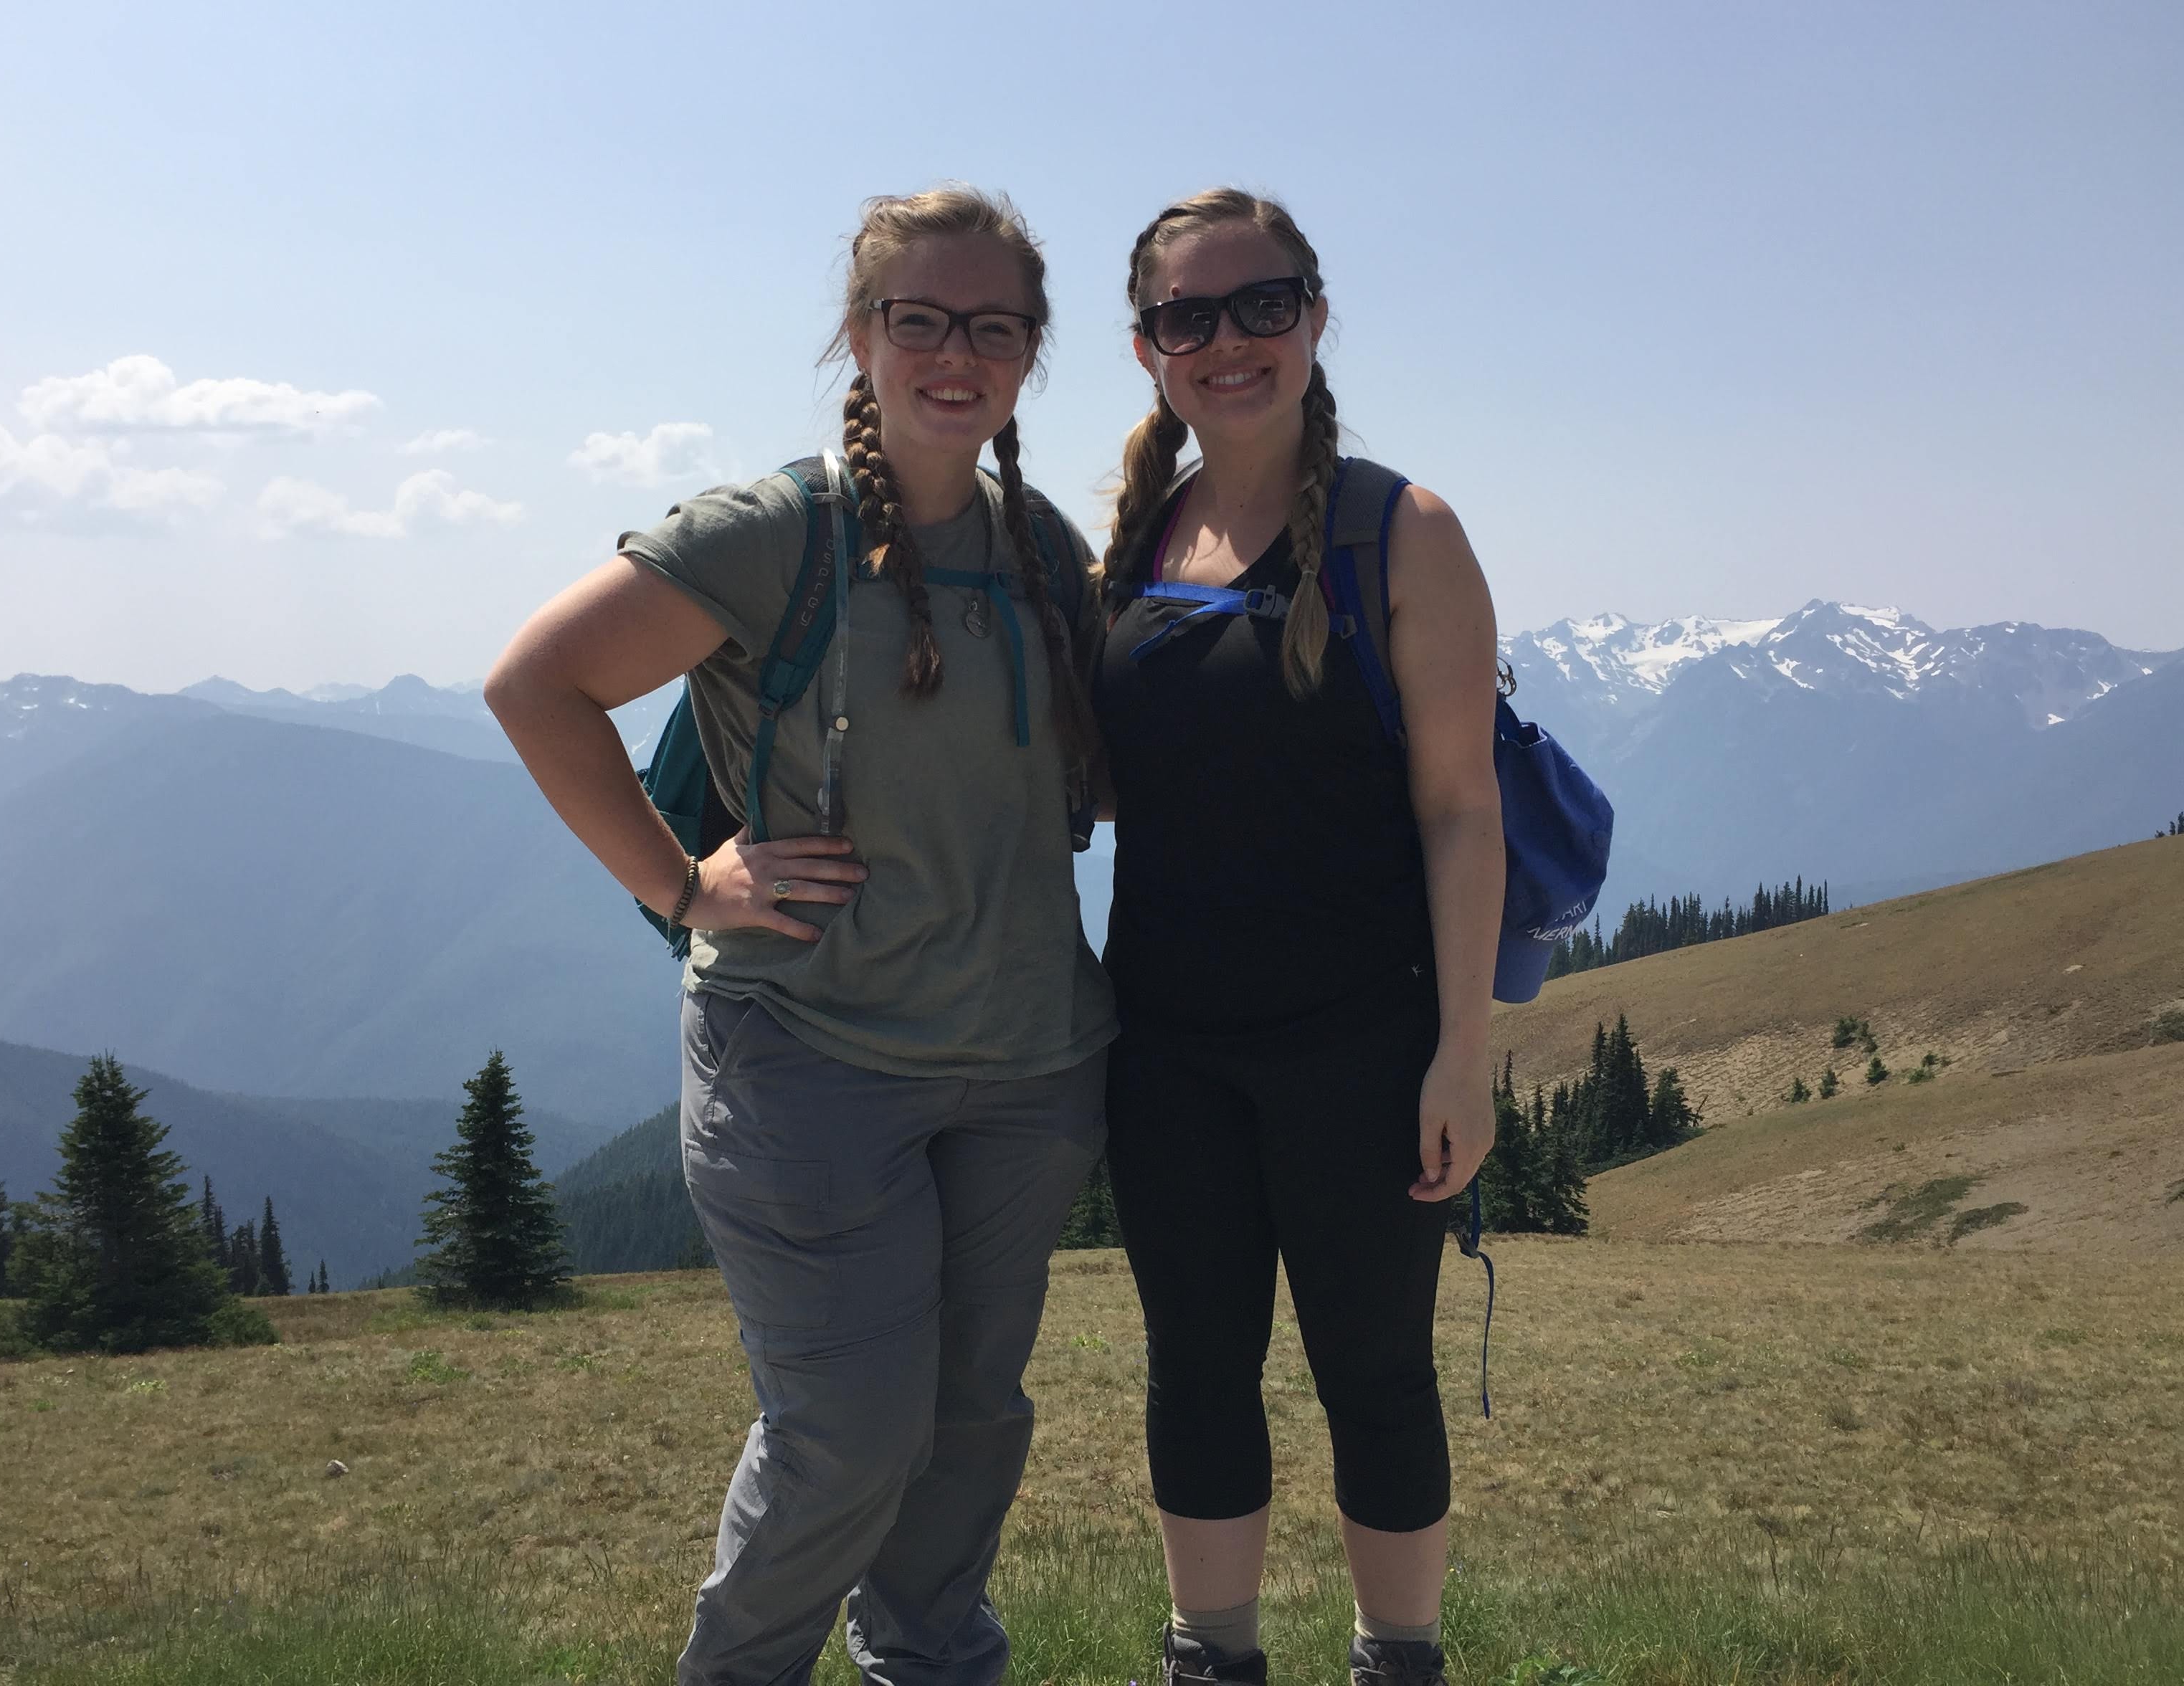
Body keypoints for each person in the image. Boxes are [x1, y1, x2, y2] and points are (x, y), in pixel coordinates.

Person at [483, 185, 1115, 1686]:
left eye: (994, 327)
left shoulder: (1041, 546)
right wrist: (682, 887)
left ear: (1032, 353)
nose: (956, 354)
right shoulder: (776, 535)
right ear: (860, 334)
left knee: (972, 1423)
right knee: (848, 1436)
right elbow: (536, 685)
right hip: (808, 1060)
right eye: (920, 319)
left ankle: (931, 1663)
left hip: (1026, 1064)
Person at [1091, 189, 1505, 1686]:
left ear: (1316, 318)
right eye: (1188, 316)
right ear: (1148, 347)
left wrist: (1463, 1051)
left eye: (1262, 304)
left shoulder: (1405, 532)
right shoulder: (1138, 534)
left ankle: (1399, 1660)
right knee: (1195, 1371)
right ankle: (1211, 1660)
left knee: (1376, 1375)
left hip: (1365, 1046)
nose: (1228, 340)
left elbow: (1462, 809)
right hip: (1166, 1051)